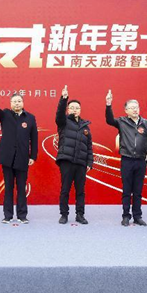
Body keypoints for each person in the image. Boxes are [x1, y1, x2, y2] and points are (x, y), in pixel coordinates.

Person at [0, 82, 38, 224]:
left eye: (19, 101)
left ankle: (22, 215)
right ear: (10, 103)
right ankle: (7, 215)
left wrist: (33, 156)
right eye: (14, 101)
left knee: (21, 187)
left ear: (23, 103)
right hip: (7, 157)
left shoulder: (30, 118)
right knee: (8, 187)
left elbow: (34, 138)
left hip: (22, 157)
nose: (17, 103)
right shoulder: (5, 114)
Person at [105, 90, 147, 227]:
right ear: (126, 110)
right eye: (131, 108)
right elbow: (109, 120)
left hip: (141, 161)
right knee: (127, 190)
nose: (135, 110)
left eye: (136, 107)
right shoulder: (122, 121)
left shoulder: (146, 123)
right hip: (127, 160)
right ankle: (126, 216)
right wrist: (108, 105)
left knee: (138, 191)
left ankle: (137, 216)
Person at [55, 85, 93, 224]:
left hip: (81, 163)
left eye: (77, 108)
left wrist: (89, 162)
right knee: (65, 189)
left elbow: (89, 146)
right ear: (68, 109)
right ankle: (64, 214)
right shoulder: (63, 122)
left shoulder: (85, 126)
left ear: (80, 110)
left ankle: (80, 214)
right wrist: (64, 99)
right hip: (67, 160)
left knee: (80, 191)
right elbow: (59, 113)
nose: (75, 110)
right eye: (72, 107)